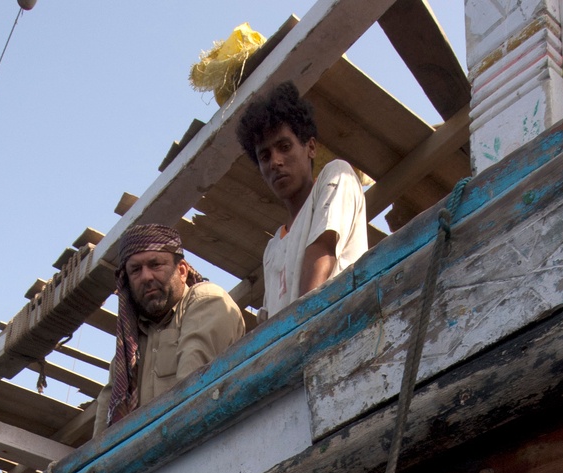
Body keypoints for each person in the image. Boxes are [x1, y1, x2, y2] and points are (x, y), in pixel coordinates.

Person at [92, 224, 246, 436]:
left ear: (181, 271)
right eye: (135, 270)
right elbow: (103, 432)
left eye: (155, 265)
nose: (146, 277)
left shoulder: (206, 299)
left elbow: (192, 393)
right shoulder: (130, 346)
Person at [237, 82, 367, 320]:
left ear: (311, 147)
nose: (275, 161)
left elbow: (323, 254)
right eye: (264, 156)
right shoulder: (273, 248)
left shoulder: (337, 176)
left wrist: (297, 333)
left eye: (284, 147)